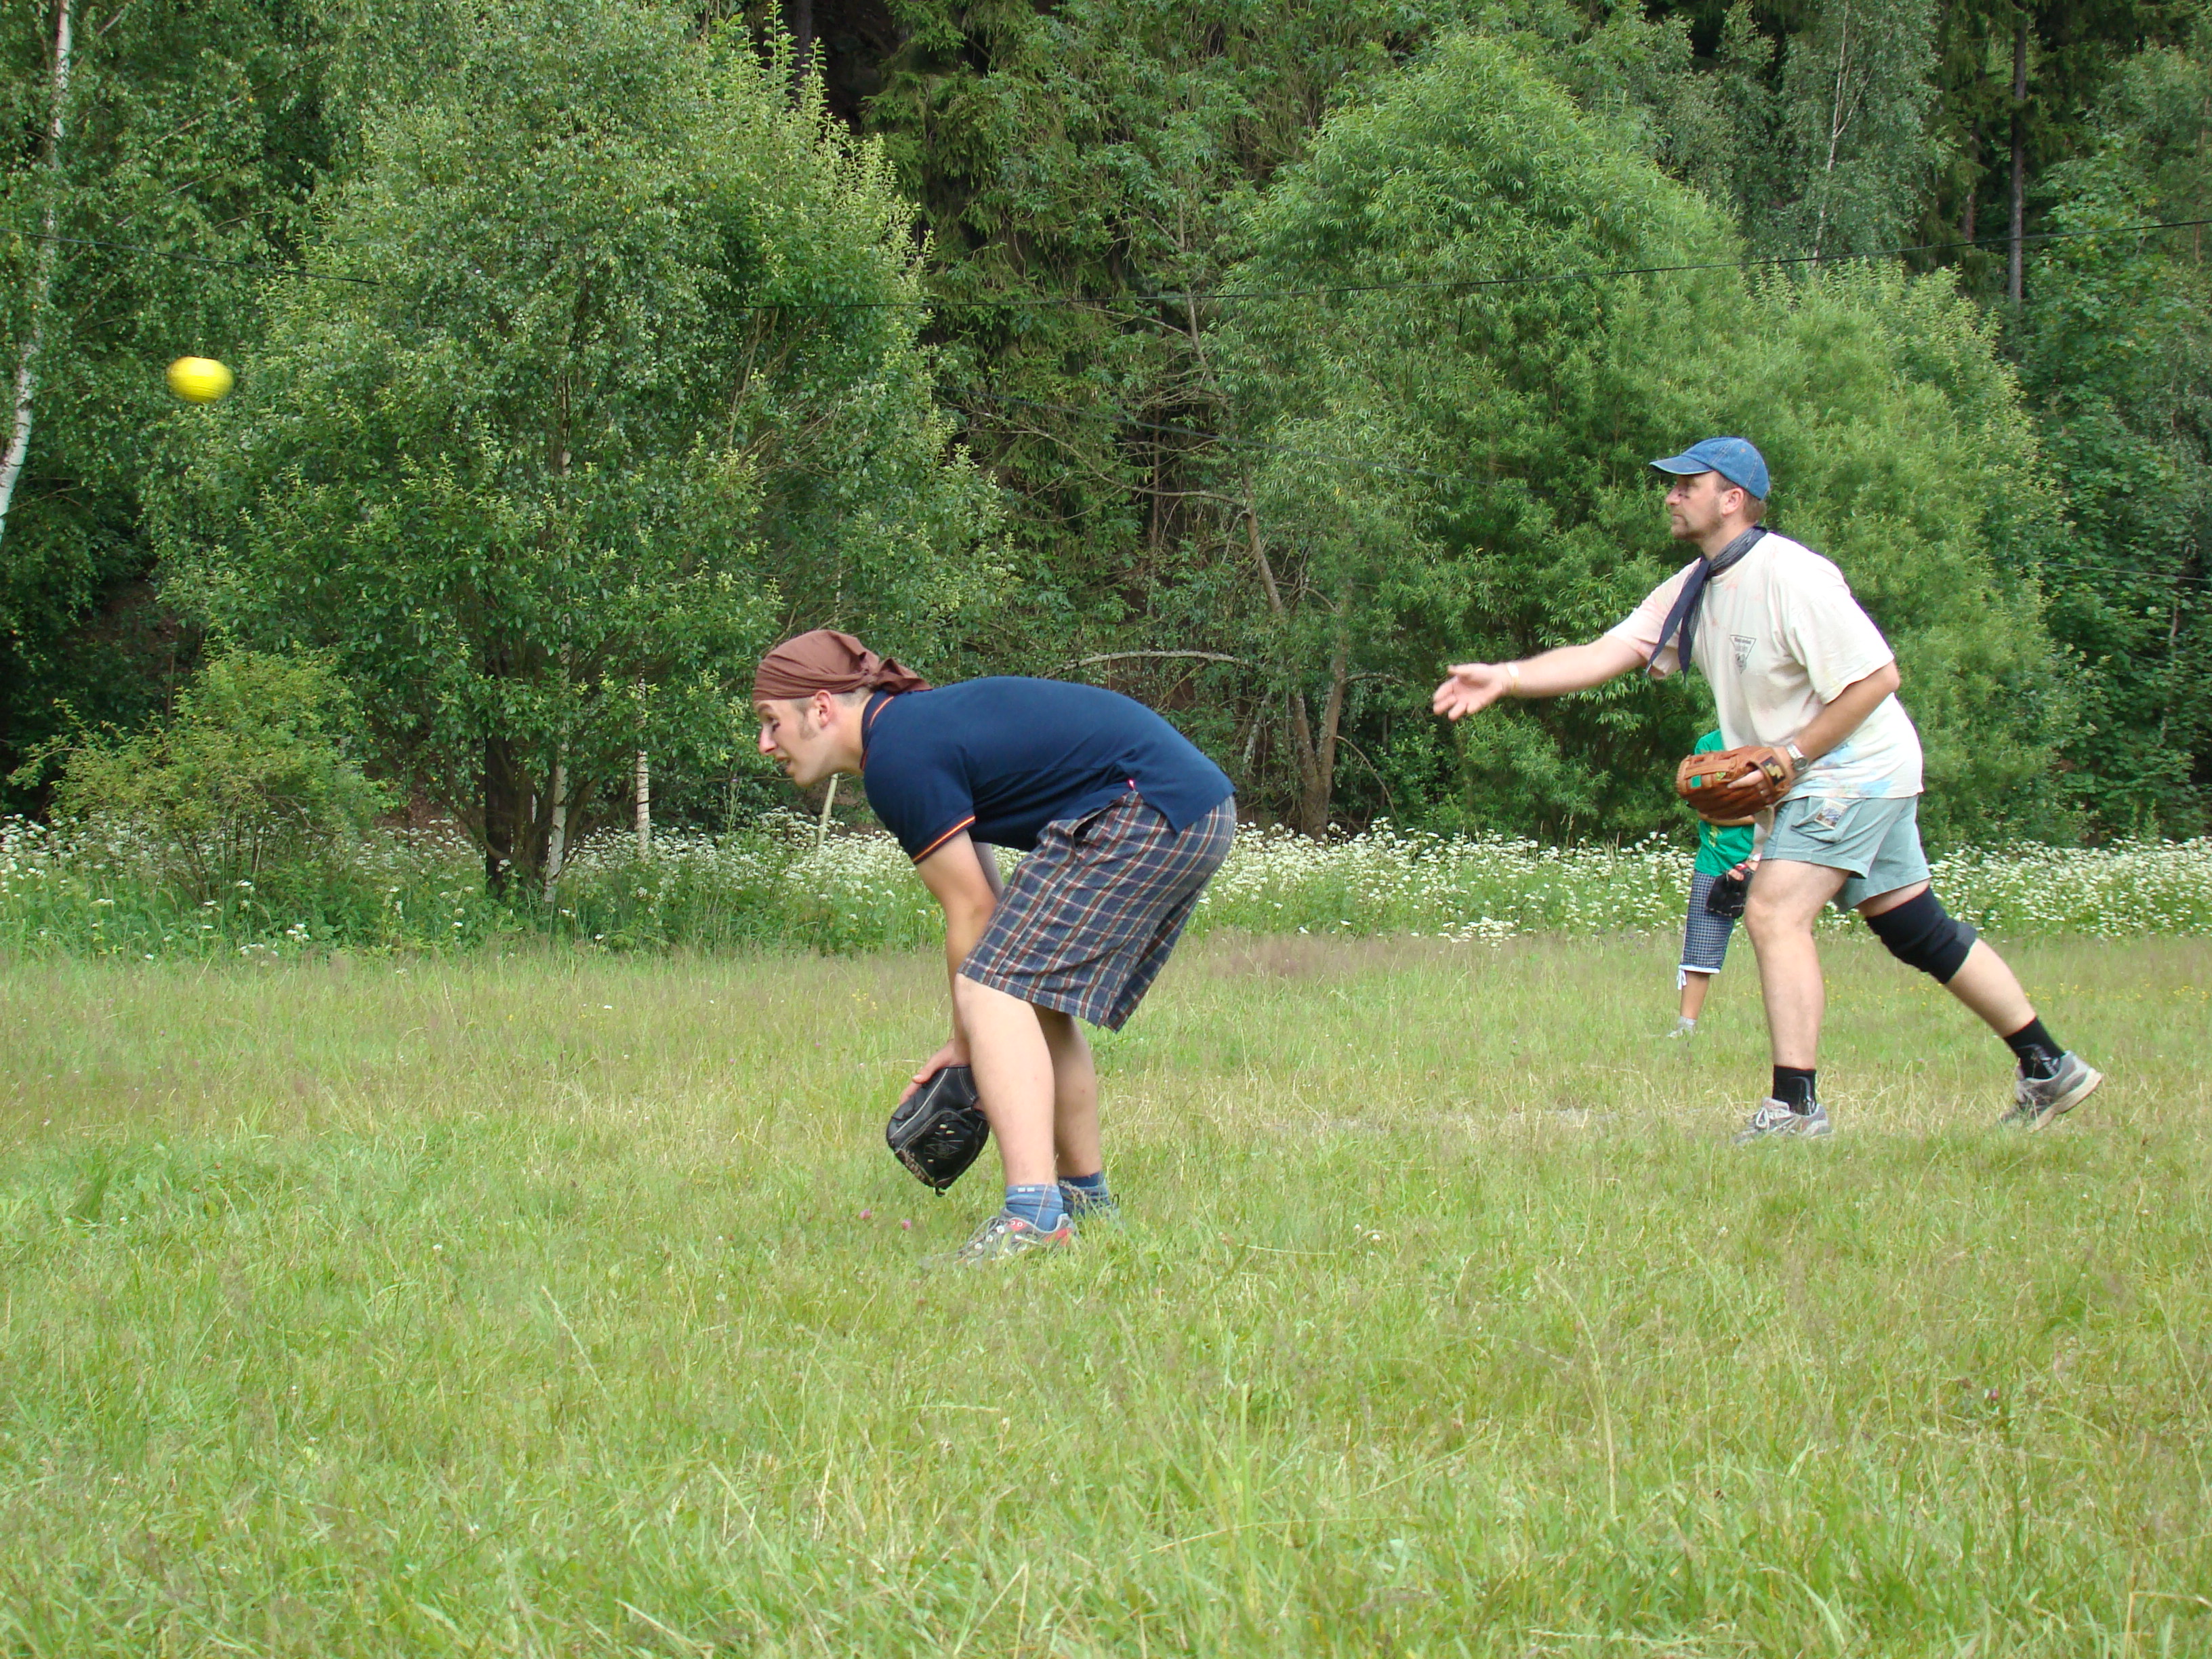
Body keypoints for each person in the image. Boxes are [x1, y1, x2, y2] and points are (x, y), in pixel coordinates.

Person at [1432, 436, 2102, 1141]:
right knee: (1915, 928)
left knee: (1775, 912)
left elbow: (1879, 678)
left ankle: (1795, 1109)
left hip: (1852, 768)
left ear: (1733, 499)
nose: (1671, 496)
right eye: (1672, 485)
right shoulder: (1695, 586)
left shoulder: (1793, 575)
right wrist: (1507, 677)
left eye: (1688, 484)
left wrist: (1790, 755)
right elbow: (1611, 651)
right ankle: (2049, 1066)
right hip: (1834, 775)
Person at [754, 630, 1236, 1257]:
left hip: (1146, 808)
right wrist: (977, 1035)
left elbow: (971, 911)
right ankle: (1086, 1203)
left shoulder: (896, 757)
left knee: (991, 988)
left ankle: (1033, 1217)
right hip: (1191, 805)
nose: (765, 743)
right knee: (1026, 996)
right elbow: (990, 906)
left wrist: (967, 1044)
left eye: (771, 722)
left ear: (821, 708)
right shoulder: (910, 732)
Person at [1673, 727, 1754, 1038]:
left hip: (1772, 856)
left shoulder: (1777, 738)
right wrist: (1755, 812)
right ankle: (1686, 1030)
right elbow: (1704, 808)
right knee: (1700, 951)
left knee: (1782, 942)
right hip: (1716, 859)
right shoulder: (1710, 744)